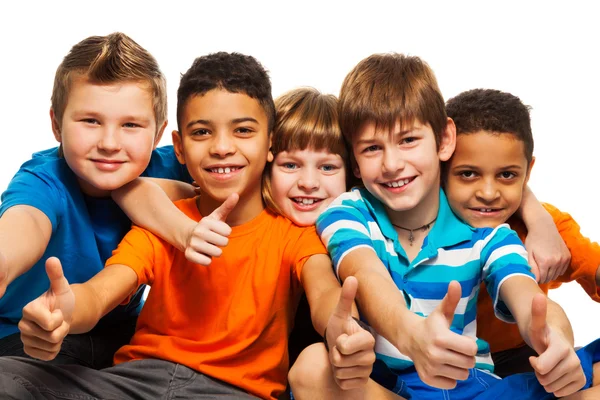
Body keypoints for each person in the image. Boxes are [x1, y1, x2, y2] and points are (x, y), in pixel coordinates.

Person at [0, 52, 374, 400]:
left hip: (235, 392)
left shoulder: (295, 232)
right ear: (178, 147)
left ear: (271, 141)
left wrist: (341, 328)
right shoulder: (162, 223)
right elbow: (100, 294)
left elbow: (324, 291)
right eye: (201, 132)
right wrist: (66, 310)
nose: (222, 147)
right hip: (134, 382)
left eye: (243, 130)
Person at [302, 53, 598, 399]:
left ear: (444, 140)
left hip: (470, 387)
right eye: (371, 148)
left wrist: (554, 337)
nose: (392, 164)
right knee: (311, 366)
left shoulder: (488, 230)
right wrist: (413, 336)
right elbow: (365, 273)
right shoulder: (348, 212)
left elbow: (525, 293)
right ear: (354, 161)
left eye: (409, 140)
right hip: (386, 387)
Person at [0, 32, 192, 368]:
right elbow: (23, 223)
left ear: (159, 133)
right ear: (57, 125)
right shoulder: (42, 180)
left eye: (131, 125)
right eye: (91, 121)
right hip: (27, 338)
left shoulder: (175, 165)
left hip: (120, 336)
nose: (109, 142)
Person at [443, 88, 600, 389]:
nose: (488, 193)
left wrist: (538, 218)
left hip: (527, 359)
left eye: (507, 175)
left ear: (528, 173)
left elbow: (593, 266)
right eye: (468, 174)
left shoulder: (549, 226)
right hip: (454, 368)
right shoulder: (419, 224)